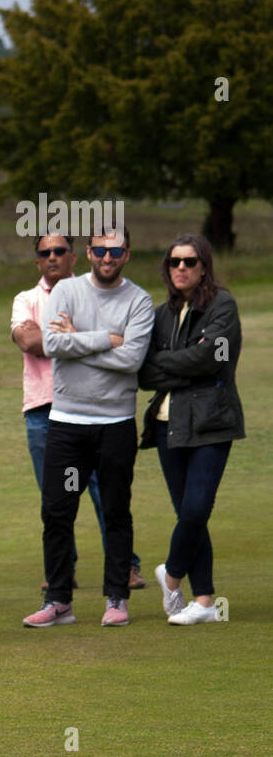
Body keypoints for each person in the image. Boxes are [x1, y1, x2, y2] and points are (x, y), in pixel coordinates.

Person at [25, 229, 154, 629]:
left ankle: (117, 597)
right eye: (100, 250)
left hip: (115, 425)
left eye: (115, 251)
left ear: (127, 254)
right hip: (67, 426)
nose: (107, 257)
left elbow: (132, 359)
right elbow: (52, 344)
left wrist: (78, 341)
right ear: (89, 252)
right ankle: (59, 600)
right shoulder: (65, 291)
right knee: (58, 511)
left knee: (115, 510)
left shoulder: (139, 300)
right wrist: (105, 340)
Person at [138, 235, 244, 625]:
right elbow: (145, 371)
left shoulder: (223, 305)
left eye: (189, 261)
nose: (180, 268)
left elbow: (211, 357)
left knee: (197, 508)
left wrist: (171, 361)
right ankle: (203, 602)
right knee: (187, 513)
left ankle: (171, 574)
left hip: (213, 422)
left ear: (204, 267)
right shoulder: (160, 314)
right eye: (173, 262)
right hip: (168, 424)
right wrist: (179, 362)